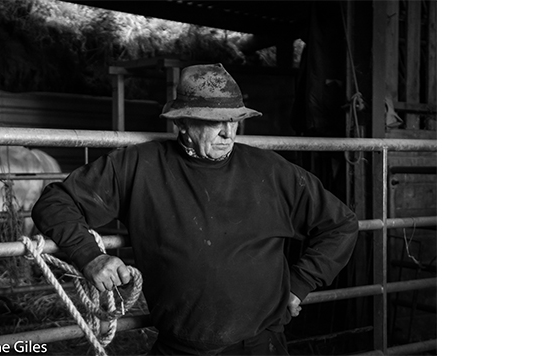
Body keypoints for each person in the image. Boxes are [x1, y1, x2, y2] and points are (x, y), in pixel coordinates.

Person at [31, 63, 358, 355]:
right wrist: (91, 256)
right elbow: (54, 202)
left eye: (234, 119)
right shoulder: (139, 166)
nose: (228, 132)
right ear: (182, 122)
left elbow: (340, 224)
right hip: (180, 346)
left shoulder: (273, 172)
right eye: (214, 121)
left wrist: (301, 284)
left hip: (259, 344)